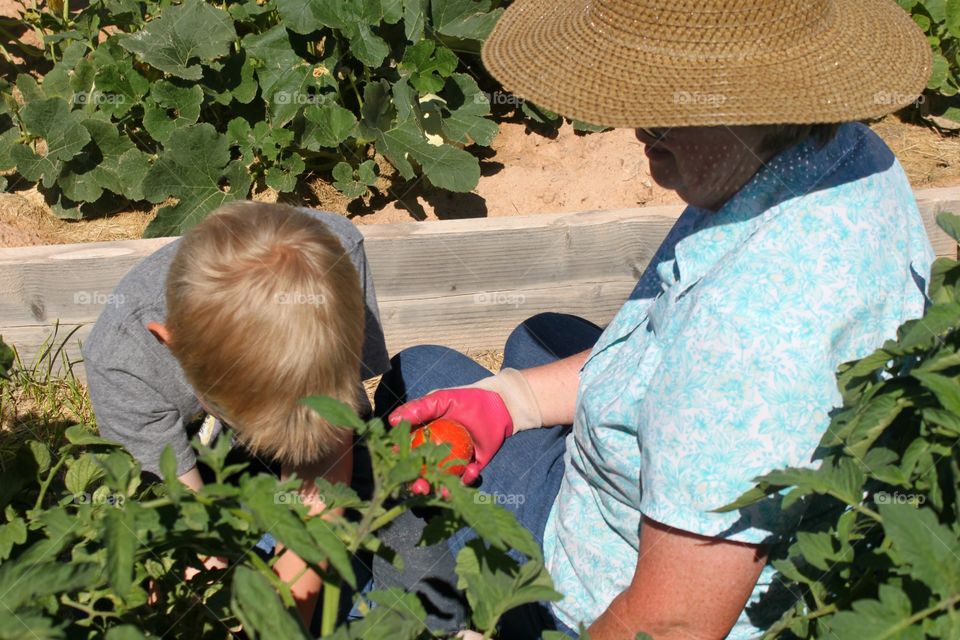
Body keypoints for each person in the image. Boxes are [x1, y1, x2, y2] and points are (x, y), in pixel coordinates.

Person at [370, 0, 935, 638]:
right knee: (536, 336)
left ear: (748, 107)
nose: (641, 130)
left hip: (597, 597)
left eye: (669, 114)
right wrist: (513, 399)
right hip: (682, 483)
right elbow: (659, 350)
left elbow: (671, 625)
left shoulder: (746, 337)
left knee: (414, 386)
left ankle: (413, 621)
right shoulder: (841, 155)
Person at [83, 201, 389, 624]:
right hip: (192, 475)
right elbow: (181, 521)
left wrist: (288, 619)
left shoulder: (336, 256)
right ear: (169, 343)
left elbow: (321, 466)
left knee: (361, 565)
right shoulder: (123, 360)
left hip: (323, 456)